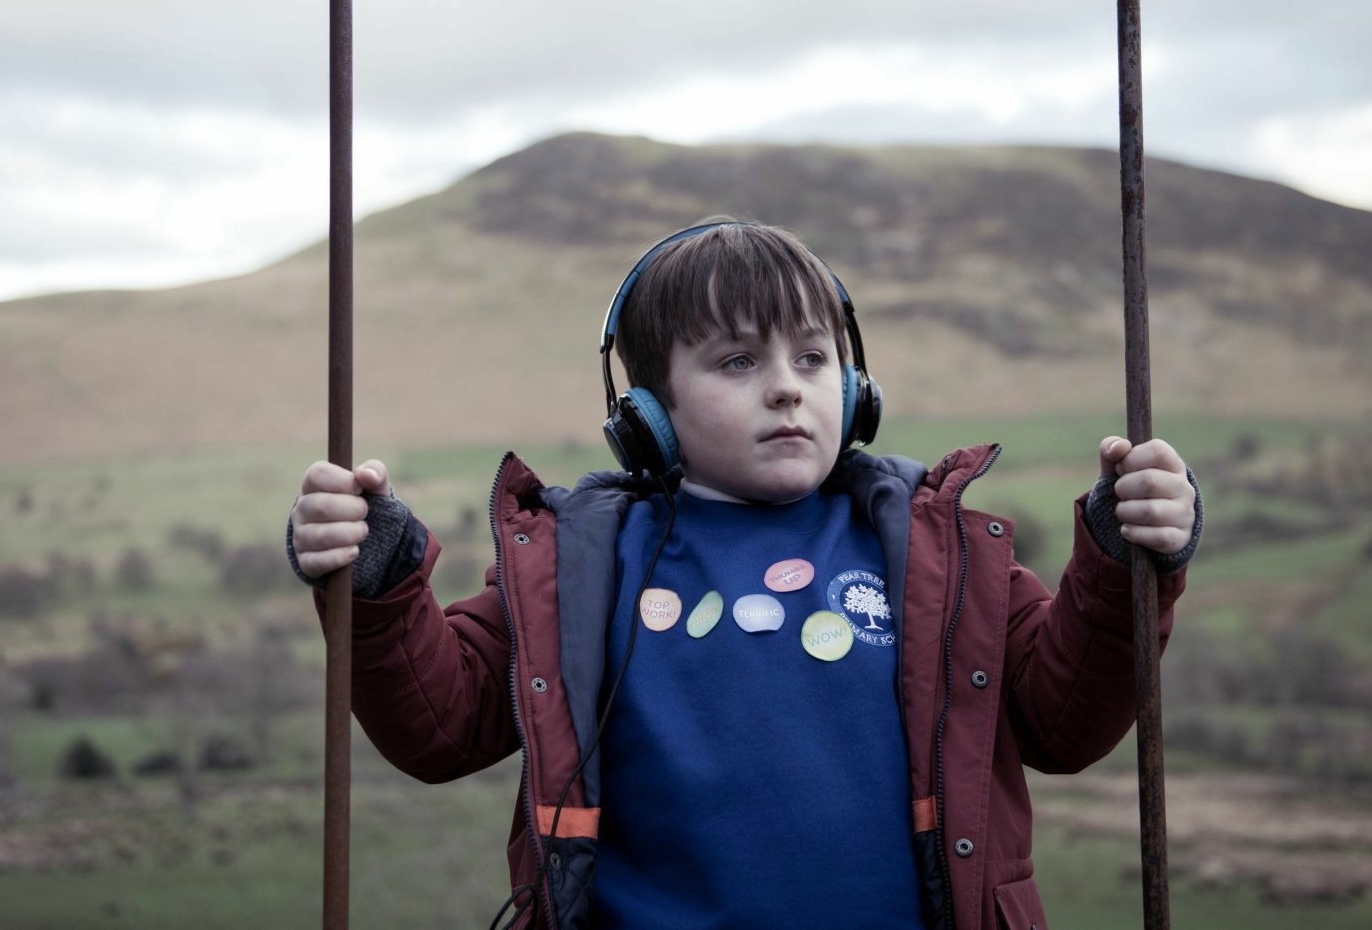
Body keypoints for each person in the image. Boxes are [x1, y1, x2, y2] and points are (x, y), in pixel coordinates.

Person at [288, 219, 1200, 930]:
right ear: (645, 411)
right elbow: (441, 727)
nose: (787, 386)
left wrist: (1122, 558)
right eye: (737, 360)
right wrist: (380, 578)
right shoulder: (577, 565)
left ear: (857, 386)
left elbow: (1063, 718)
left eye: (812, 357)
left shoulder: (942, 554)